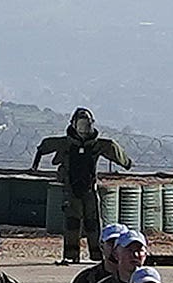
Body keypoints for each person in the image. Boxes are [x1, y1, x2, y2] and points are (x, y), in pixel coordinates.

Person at [31, 106, 130, 266]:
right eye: (81, 124)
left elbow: (114, 150)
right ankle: (71, 254)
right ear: (74, 124)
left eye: (87, 124)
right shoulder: (65, 144)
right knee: (72, 222)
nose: (84, 129)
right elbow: (43, 147)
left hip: (90, 188)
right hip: (71, 189)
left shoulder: (97, 145)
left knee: (93, 223)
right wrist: (35, 165)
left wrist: (127, 164)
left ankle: (97, 255)